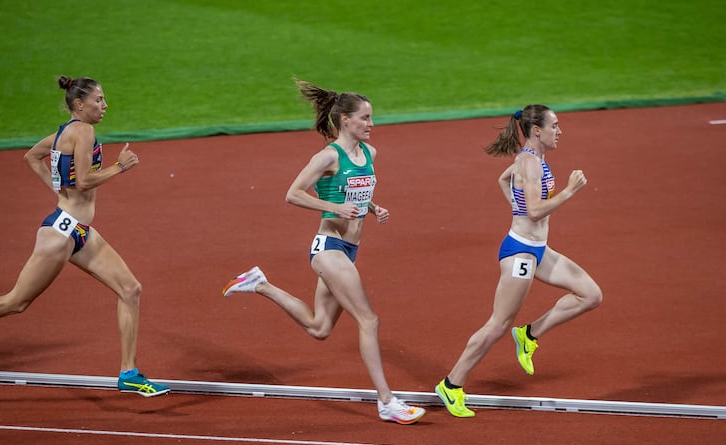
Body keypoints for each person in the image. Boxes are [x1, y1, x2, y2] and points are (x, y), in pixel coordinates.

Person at [0, 76, 169, 397]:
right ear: (79, 105)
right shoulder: (83, 131)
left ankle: (129, 373)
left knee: (130, 289)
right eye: (98, 100)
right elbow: (82, 182)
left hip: (77, 230)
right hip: (61, 233)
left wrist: (58, 191)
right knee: (16, 301)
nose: (105, 105)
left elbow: (32, 157)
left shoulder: (62, 132)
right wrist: (119, 167)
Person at [222, 80, 425, 424]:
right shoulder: (329, 156)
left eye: (371, 117)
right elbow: (293, 193)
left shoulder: (370, 154)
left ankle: (260, 284)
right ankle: (387, 401)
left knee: (319, 328)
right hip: (328, 248)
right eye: (365, 118)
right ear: (345, 120)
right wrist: (334, 207)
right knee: (369, 320)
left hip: (349, 248)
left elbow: (354, 191)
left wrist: (372, 208)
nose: (371, 124)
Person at [435, 105, 603, 417]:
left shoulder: (534, 159)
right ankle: (451, 384)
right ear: (536, 131)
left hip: (538, 249)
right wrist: (569, 191)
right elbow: (536, 211)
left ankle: (530, 334)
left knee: (590, 294)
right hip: (521, 254)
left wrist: (516, 204)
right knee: (498, 323)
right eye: (555, 125)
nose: (560, 131)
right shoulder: (529, 163)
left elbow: (503, 180)